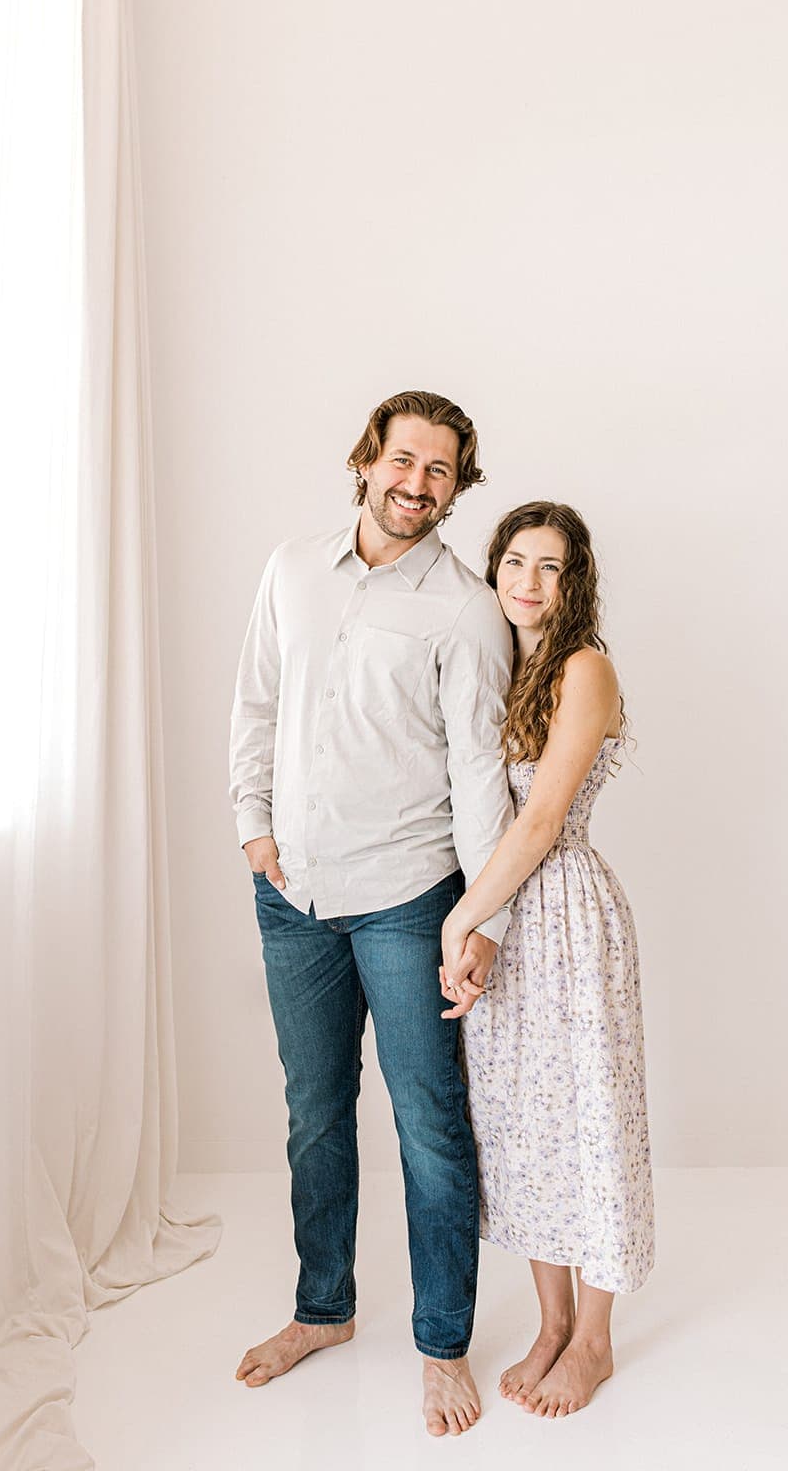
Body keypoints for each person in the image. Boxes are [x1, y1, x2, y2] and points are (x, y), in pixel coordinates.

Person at [228, 391, 514, 1436]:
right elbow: (254, 701)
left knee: (431, 1127)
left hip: (408, 899)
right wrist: (252, 831)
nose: (415, 484)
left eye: (438, 471)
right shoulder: (291, 569)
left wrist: (479, 916)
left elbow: (480, 771)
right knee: (313, 1113)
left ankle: (442, 1343)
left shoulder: (467, 606)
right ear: (366, 460)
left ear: (454, 486)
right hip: (291, 895)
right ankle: (323, 1309)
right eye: (403, 461)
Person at [440, 500, 654, 1419]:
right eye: (514, 562)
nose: (527, 582)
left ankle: (595, 1341)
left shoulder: (583, 667)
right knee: (521, 1124)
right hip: (508, 919)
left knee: (589, 1117)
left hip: (564, 911)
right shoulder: (503, 668)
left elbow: (539, 822)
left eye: (549, 567)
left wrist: (459, 920)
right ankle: (550, 1322)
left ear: (575, 582)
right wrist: (483, 924)